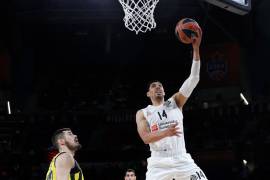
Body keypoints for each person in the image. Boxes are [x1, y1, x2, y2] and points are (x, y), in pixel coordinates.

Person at [136, 28, 207, 180]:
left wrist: (196, 48)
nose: (158, 87)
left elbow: (194, 78)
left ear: (164, 90)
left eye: (160, 85)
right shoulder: (143, 112)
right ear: (148, 94)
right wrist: (166, 132)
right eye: (154, 86)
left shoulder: (175, 101)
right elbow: (146, 138)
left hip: (182, 159)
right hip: (158, 163)